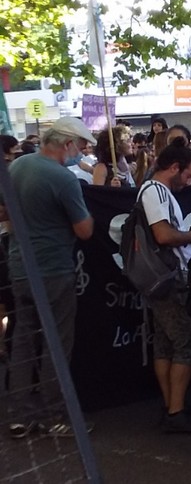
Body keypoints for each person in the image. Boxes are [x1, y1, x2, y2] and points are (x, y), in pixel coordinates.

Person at [2, 117, 95, 438]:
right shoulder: (63, 179)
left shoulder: (19, 166)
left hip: (20, 267)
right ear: (67, 144)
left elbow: (7, 215)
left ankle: (18, 416)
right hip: (53, 270)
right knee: (57, 345)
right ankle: (55, 416)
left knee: (23, 344)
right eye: (80, 146)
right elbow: (85, 230)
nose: (80, 152)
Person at [139, 138, 191, 433]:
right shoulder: (156, 192)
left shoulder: (153, 190)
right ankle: (176, 411)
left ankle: (172, 406)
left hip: (161, 278)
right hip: (170, 278)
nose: (190, 181)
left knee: (166, 344)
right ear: (174, 167)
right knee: (187, 342)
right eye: (189, 174)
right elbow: (164, 235)